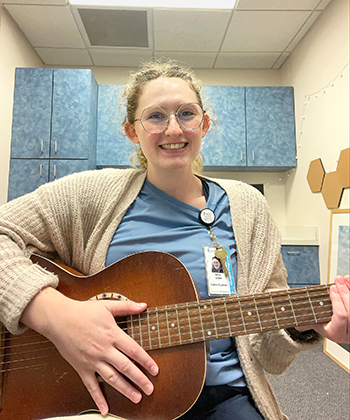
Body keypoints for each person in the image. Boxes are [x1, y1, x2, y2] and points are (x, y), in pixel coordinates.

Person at [0, 60, 349, 420]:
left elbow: (266, 350)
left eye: (187, 113)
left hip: (225, 396)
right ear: (131, 131)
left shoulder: (248, 207)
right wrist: (57, 316)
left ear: (204, 124)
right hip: (114, 396)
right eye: (155, 116)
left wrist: (307, 322)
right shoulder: (89, 194)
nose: (173, 129)